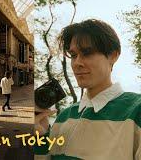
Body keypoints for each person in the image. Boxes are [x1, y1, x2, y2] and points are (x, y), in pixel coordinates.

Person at [34, 19, 141, 159]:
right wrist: (40, 137)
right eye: (73, 55)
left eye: (87, 53)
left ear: (113, 55)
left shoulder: (136, 110)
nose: (77, 63)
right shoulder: (63, 117)